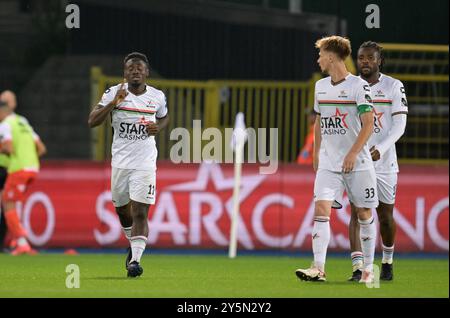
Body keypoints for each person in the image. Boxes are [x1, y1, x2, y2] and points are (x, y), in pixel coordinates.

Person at [295, 35, 378, 283]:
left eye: (320, 55)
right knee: (321, 208)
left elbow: (369, 124)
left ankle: (368, 269)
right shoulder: (320, 87)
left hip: (358, 162)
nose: (318, 59)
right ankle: (318, 268)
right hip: (329, 163)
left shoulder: (358, 86)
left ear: (331, 56)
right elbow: (320, 121)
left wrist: (353, 153)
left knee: (363, 213)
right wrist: (317, 153)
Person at [88, 52, 169, 277]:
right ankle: (133, 244)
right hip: (121, 163)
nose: (135, 71)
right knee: (123, 212)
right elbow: (92, 121)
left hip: (145, 163)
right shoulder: (114, 93)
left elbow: (164, 117)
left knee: (140, 212)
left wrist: (158, 128)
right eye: (131, 68)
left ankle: (135, 261)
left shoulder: (157, 97)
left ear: (146, 72)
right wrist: (114, 103)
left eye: (139, 68)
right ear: (125, 72)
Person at [346, 42, 408, 282]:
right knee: (357, 212)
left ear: (379, 61)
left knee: (385, 216)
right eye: (361, 58)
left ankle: (388, 260)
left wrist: (381, 149)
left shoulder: (393, 86)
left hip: (385, 163)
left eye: (370, 58)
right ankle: (358, 268)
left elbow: (400, 126)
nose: (364, 62)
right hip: (360, 159)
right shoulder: (351, 86)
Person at [0, 93, 47, 255]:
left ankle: (21, 242)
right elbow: (41, 148)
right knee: (13, 202)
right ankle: (18, 240)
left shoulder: (5, 124)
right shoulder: (23, 121)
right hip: (32, 168)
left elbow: (7, 148)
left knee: (7, 203)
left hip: (18, 169)